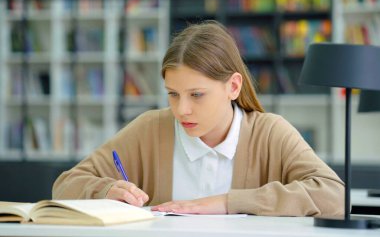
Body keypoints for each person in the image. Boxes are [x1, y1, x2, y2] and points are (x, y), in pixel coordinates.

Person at [52, 20, 344, 216]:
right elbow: (66, 184)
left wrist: (228, 203)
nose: (182, 110)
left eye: (196, 95)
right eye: (173, 94)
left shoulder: (270, 133)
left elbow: (335, 195)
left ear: (233, 86)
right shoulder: (150, 128)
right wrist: (106, 189)